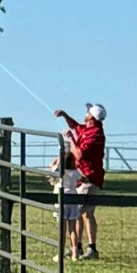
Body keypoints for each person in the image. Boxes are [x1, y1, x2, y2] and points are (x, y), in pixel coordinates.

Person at [54, 102, 106, 258]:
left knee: (80, 212)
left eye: (88, 112)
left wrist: (71, 139)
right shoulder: (89, 129)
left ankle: (85, 248)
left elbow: (79, 154)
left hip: (90, 178)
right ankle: (81, 247)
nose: (85, 113)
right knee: (84, 213)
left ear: (92, 117)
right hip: (83, 178)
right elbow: (76, 126)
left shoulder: (96, 134)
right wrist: (65, 115)